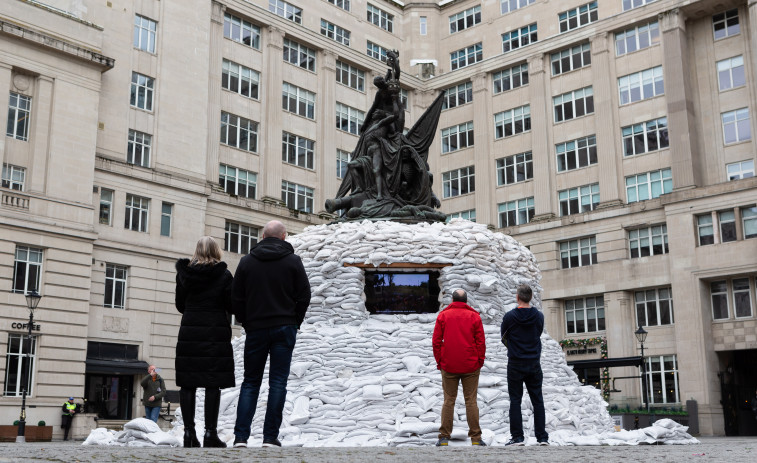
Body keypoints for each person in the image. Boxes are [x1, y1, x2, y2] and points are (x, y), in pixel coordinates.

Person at [232, 220, 311, 448]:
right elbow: (304, 295)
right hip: (284, 327)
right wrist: (294, 321)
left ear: (263, 236)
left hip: (256, 328)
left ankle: (241, 437)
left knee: (250, 382)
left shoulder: (247, 262)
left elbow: (236, 297)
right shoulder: (293, 261)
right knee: (278, 382)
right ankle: (269, 438)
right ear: (284, 237)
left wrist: (246, 321)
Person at [175, 236, 235, 448]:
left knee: (187, 383)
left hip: (190, 329)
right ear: (216, 251)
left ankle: (189, 434)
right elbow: (231, 305)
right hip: (214, 331)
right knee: (213, 382)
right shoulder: (224, 275)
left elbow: (180, 305)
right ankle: (210, 433)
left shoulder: (184, 274)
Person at [432, 289, 486, 446]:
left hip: (448, 365)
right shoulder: (474, 316)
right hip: (471, 365)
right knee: (471, 401)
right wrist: (480, 361)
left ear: (452, 300)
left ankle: (443, 437)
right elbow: (480, 342)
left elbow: (436, 341)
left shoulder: (443, 316)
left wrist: (440, 361)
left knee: (448, 400)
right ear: (466, 300)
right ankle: (476, 438)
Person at [501, 284, 549, 446]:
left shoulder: (509, 317)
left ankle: (517, 437)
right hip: (534, 362)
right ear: (531, 297)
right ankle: (542, 437)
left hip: (515, 362)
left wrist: (515, 347)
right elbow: (538, 332)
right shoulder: (539, 316)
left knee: (515, 400)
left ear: (517, 297)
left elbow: (504, 337)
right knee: (538, 400)